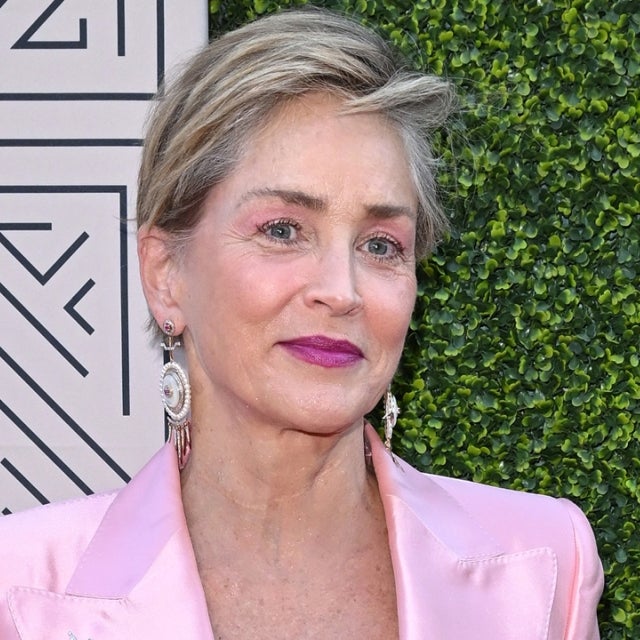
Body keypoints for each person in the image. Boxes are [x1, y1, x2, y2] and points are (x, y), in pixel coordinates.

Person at [0, 8, 603, 639]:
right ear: (165, 274)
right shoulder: (23, 593)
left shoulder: (545, 569)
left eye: (380, 245)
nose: (342, 292)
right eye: (283, 230)